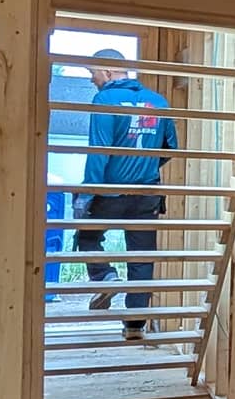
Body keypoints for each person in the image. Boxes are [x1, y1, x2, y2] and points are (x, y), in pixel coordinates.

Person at [73, 48, 178, 335]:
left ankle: (104, 276)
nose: (92, 80)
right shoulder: (158, 102)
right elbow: (171, 147)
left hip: (110, 192)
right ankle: (135, 325)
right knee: (141, 257)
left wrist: (87, 193)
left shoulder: (105, 100)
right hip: (146, 194)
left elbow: (99, 151)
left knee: (87, 236)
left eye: (93, 74)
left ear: (107, 71)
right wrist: (146, 166)